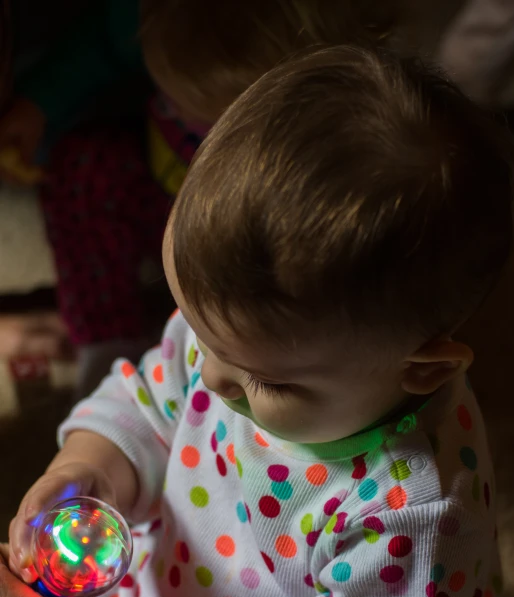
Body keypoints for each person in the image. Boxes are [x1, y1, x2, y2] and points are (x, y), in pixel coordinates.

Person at [2, 43, 514, 597]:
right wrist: (86, 466)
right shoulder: (242, 344)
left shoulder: (416, 511)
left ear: (421, 368)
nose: (209, 376)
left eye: (261, 381)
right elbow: (145, 398)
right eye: (194, 329)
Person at [0, 0, 394, 389]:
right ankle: (108, 342)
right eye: (169, 97)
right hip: (161, 189)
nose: (179, 114)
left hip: (253, 218)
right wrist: (38, 105)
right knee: (83, 166)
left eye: (203, 115)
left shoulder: (332, 109)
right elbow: (98, 47)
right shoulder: (153, 16)